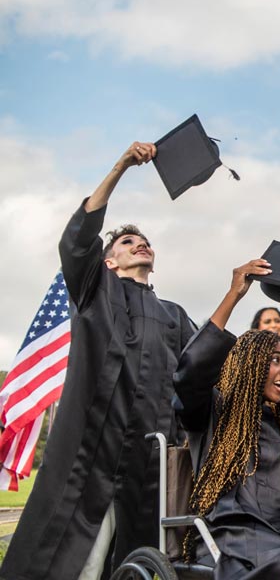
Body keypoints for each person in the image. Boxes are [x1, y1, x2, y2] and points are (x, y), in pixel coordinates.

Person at [1, 142, 197, 580]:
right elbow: (78, 237)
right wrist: (123, 165)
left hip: (150, 471)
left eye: (144, 240)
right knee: (81, 566)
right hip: (90, 459)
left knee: (139, 567)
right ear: (109, 261)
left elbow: (204, 367)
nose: (140, 243)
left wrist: (235, 292)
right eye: (128, 242)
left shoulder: (175, 316)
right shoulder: (95, 291)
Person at [173, 258, 280, 579]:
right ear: (250, 365)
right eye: (274, 361)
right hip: (236, 539)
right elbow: (191, 373)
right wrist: (234, 294)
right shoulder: (215, 413)